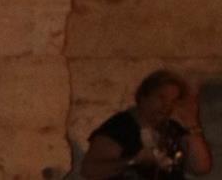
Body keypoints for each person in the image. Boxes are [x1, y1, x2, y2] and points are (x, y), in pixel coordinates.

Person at [81, 70, 212, 179]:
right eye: (161, 98)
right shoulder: (120, 127)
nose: (167, 106)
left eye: (173, 101)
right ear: (144, 96)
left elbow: (201, 168)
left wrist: (192, 124)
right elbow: (89, 170)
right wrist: (133, 161)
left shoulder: (172, 127)